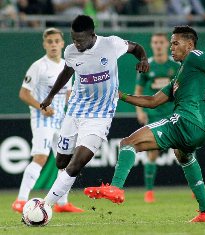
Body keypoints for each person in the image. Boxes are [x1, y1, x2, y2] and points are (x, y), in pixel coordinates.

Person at [84, 25, 205, 222]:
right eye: (171, 43)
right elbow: (152, 101)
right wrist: (120, 96)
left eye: (176, 43)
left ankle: (116, 188)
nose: (171, 47)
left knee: (128, 143)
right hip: (202, 128)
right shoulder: (181, 75)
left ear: (190, 45)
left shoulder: (196, 56)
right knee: (183, 156)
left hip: (186, 121)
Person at [39, 15, 149, 207]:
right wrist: (51, 96)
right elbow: (67, 72)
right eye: (73, 39)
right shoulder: (71, 51)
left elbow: (136, 47)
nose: (76, 44)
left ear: (92, 35)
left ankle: (45, 205)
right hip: (75, 111)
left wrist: (143, 59)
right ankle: (63, 187)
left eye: (80, 40)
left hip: (100, 116)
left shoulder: (111, 44)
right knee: (61, 163)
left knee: (75, 164)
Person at [12, 28, 83, 213]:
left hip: (61, 120)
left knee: (64, 161)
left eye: (56, 41)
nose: (53, 44)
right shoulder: (38, 66)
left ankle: (62, 203)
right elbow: (23, 93)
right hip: (42, 120)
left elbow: (68, 94)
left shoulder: (67, 67)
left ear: (62, 43)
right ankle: (20, 200)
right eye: (49, 41)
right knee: (41, 158)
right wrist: (41, 107)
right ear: (44, 44)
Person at [134, 32, 179, 203]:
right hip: (154, 115)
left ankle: (194, 187)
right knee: (152, 152)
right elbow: (138, 91)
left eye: (161, 42)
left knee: (183, 150)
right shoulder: (146, 66)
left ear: (166, 44)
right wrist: (140, 111)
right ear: (152, 45)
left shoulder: (175, 65)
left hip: (174, 113)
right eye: (155, 42)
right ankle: (149, 191)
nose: (158, 45)